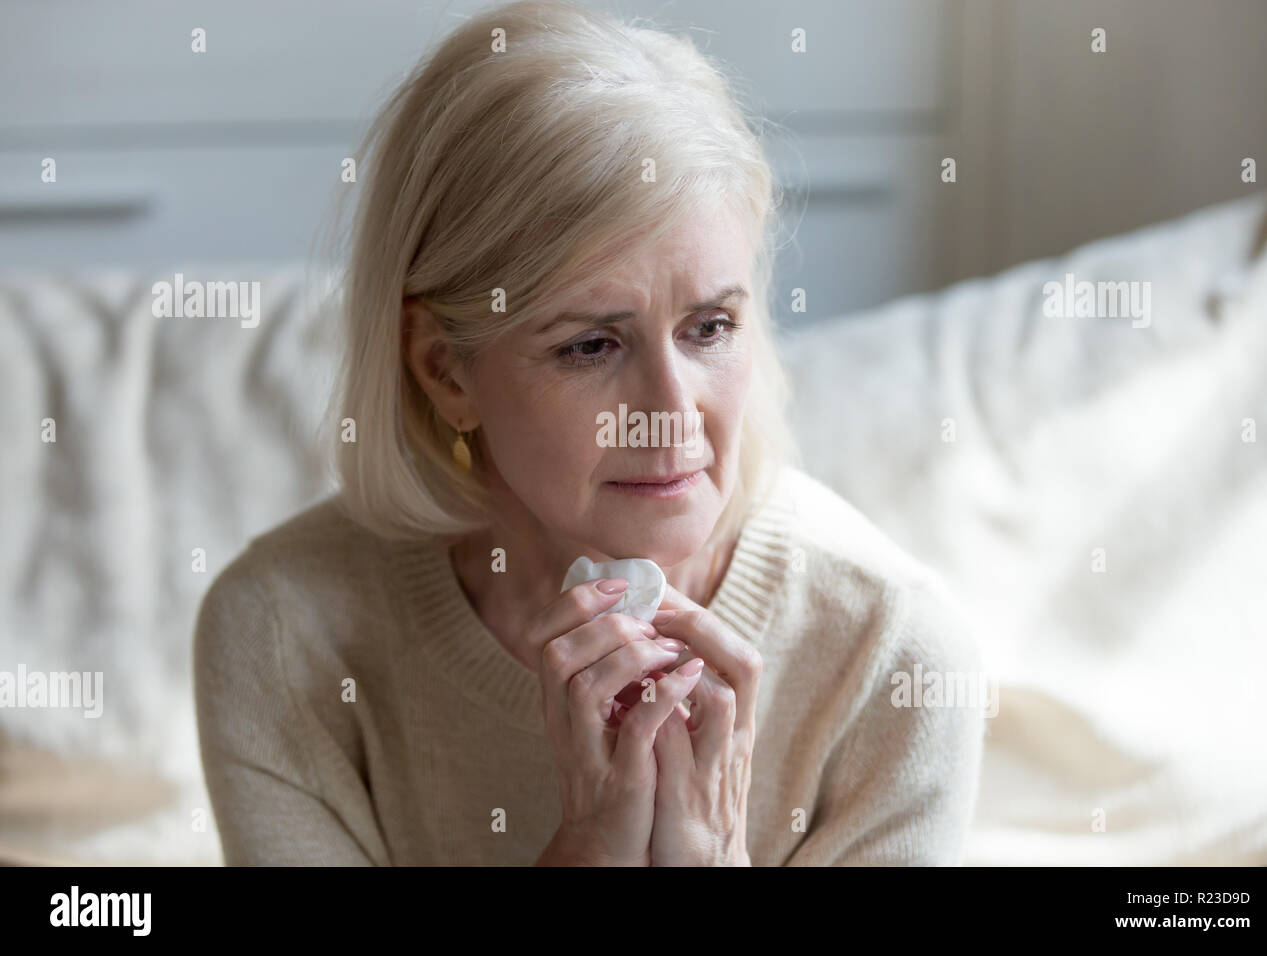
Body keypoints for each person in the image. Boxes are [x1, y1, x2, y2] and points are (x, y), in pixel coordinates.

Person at [193, 0, 985, 866]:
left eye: (710, 328)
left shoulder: (893, 656)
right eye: (592, 345)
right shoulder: (282, 635)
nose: (672, 412)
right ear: (443, 370)